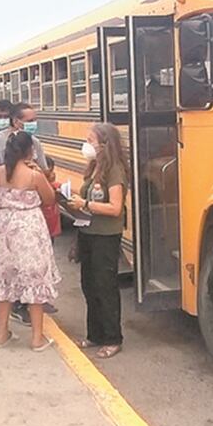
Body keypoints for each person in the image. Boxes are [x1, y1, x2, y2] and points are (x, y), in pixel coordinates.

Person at [0, 102, 51, 334]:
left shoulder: (34, 143)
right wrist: (26, 172)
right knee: (13, 270)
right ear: (16, 121)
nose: (32, 124)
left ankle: (8, 322)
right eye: (29, 120)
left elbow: (45, 169)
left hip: (5, 219)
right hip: (21, 222)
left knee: (5, 272)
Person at [0, 132, 60, 351]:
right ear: (30, 151)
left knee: (6, 281)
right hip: (29, 229)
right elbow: (49, 199)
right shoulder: (33, 175)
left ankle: (1, 334)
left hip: (4, 230)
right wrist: (40, 172)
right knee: (34, 281)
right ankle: (37, 338)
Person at [68, 123, 129, 359]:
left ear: (104, 144)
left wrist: (84, 205)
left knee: (106, 287)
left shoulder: (114, 170)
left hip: (106, 236)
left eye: (91, 140)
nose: (87, 145)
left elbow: (115, 208)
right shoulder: (93, 167)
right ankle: (95, 334)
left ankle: (113, 338)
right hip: (88, 233)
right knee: (89, 285)